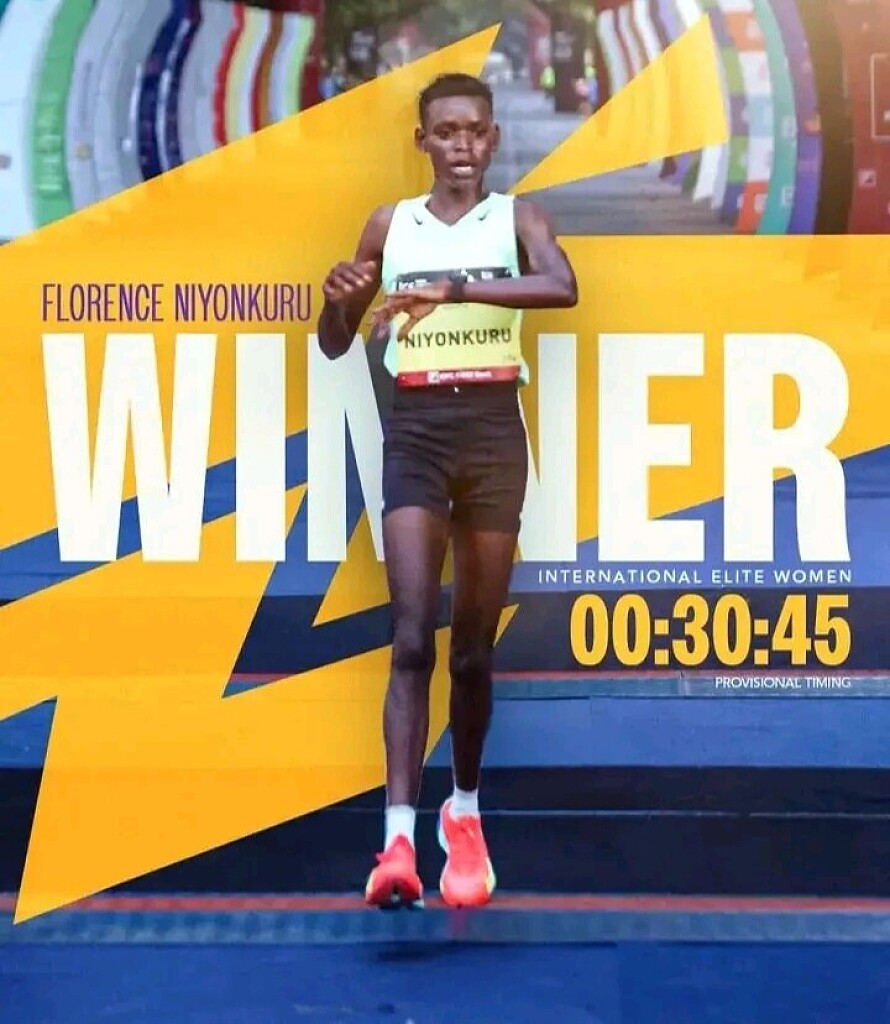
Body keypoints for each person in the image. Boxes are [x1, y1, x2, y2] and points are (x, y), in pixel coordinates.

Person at [316, 72, 578, 909]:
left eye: (474, 131)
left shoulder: (519, 219)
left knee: (470, 650)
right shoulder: (389, 224)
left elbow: (562, 286)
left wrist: (451, 288)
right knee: (410, 639)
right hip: (419, 432)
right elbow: (334, 343)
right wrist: (340, 304)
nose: (461, 145)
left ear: (492, 139)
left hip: (493, 433)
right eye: (446, 131)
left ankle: (463, 814)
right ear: (422, 142)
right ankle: (396, 840)